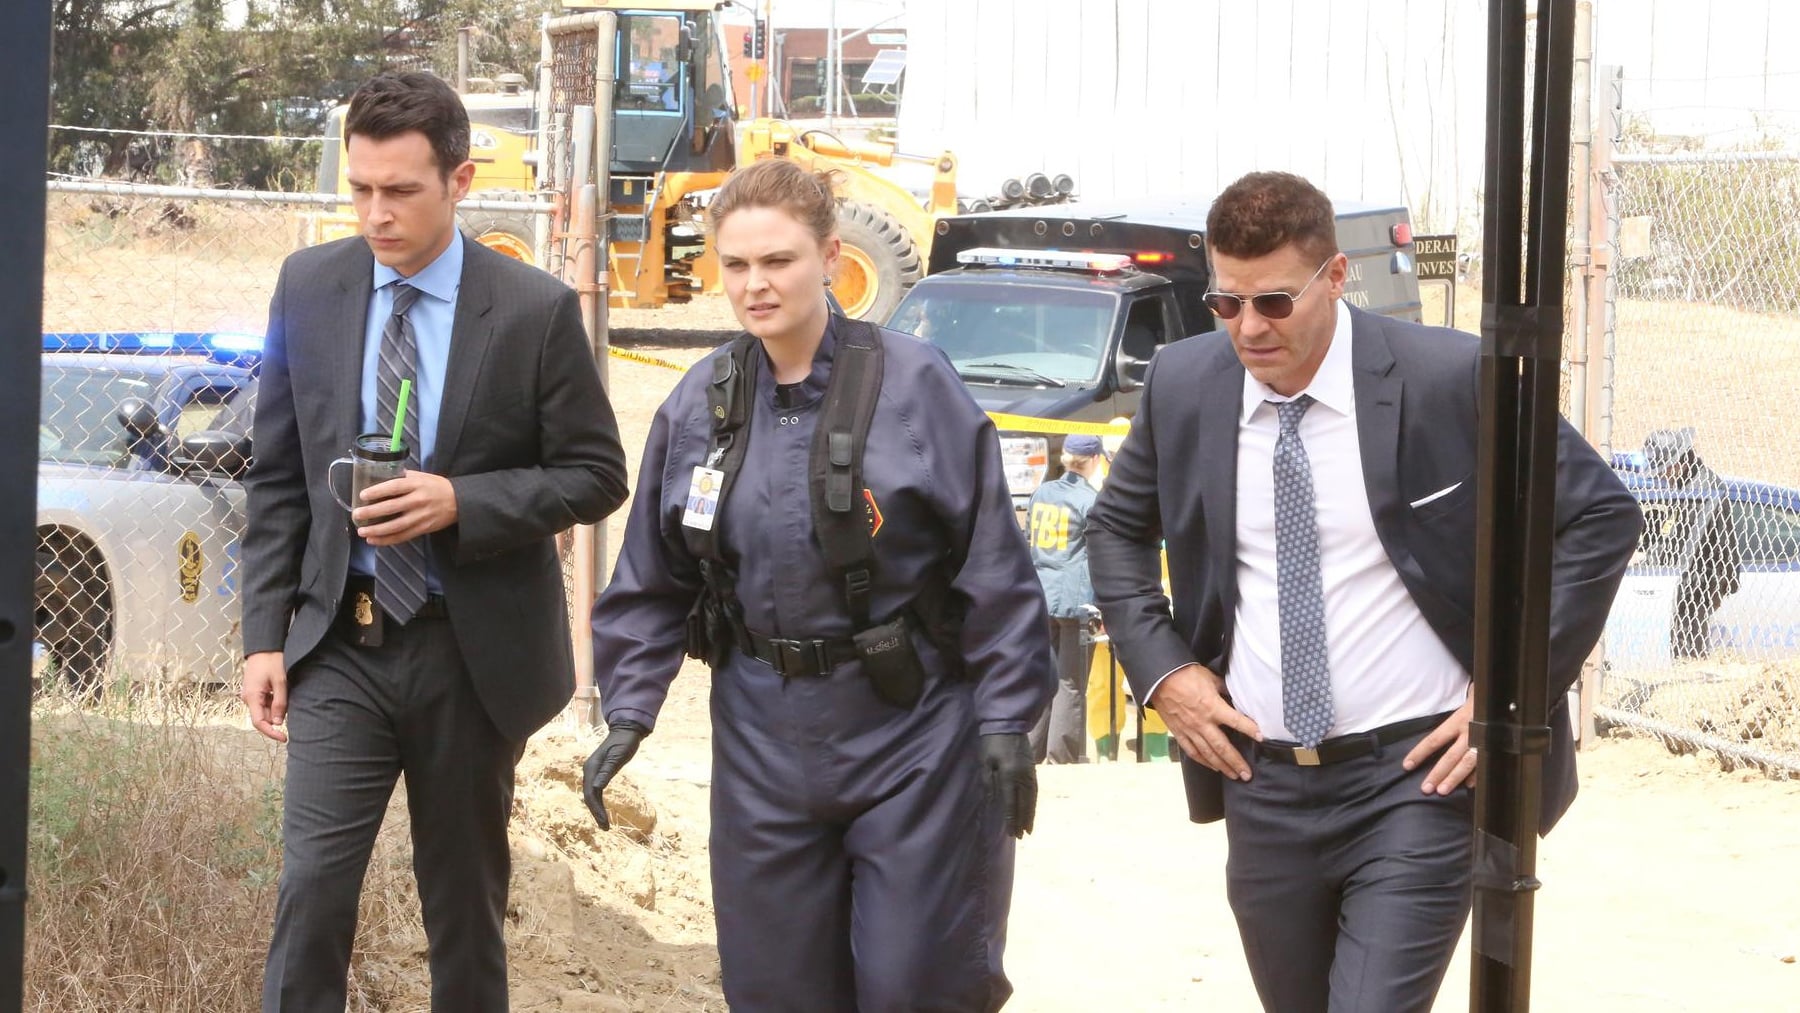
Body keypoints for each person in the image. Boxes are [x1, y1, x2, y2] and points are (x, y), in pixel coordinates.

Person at [1086, 171, 1643, 1013]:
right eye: (1226, 303)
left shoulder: (1447, 376)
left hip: (1418, 780)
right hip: (1263, 782)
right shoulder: (1184, 383)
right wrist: (1166, 674)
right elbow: (1115, 530)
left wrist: (1513, 691)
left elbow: (1599, 515)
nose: (1248, 327)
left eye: (1274, 301)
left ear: (1336, 276)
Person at [580, 157, 1053, 1012]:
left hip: (911, 734)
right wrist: (630, 709)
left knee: (917, 984)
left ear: (831, 257)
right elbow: (652, 577)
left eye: (779, 260)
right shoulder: (699, 405)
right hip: (762, 736)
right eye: (736, 264)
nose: (755, 284)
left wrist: (1007, 720)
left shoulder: (916, 387)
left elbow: (994, 567)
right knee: (776, 989)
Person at [239, 71, 629, 1012]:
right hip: (341, 642)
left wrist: (463, 501)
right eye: (360, 189)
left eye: (401, 190)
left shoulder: (532, 310)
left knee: (462, 907)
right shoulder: (309, 286)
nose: (376, 214)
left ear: (460, 181)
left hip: (470, 651)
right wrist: (262, 636)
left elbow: (595, 474)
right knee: (312, 890)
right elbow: (279, 474)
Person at [1026, 433, 1107, 763]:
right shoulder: (1090, 500)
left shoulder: (1041, 492)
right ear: (1094, 460)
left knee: (1043, 679)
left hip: (1041, 595)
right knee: (1070, 683)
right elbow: (1099, 555)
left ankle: (1030, 752)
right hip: (1075, 601)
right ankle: (1062, 759)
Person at [1643, 427, 1740, 659]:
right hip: (1689, 581)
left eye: (1663, 470)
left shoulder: (1702, 491)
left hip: (1699, 584)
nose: (1660, 476)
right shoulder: (1685, 486)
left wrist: (1647, 559)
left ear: (1679, 463)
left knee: (1686, 653)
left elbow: (1682, 544)